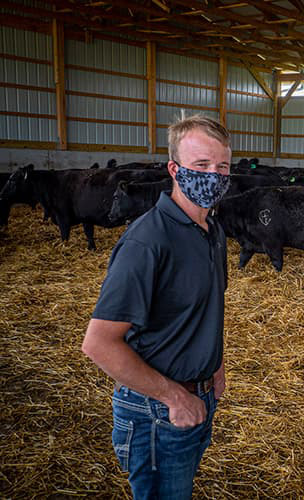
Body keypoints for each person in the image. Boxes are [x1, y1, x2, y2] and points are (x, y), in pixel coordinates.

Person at [82, 115, 231, 499]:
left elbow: (203, 309)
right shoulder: (148, 240)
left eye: (222, 167)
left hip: (198, 395)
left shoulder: (212, 231)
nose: (213, 176)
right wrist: (174, 397)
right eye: (201, 166)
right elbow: (99, 343)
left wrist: (215, 365)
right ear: (174, 169)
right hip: (155, 412)